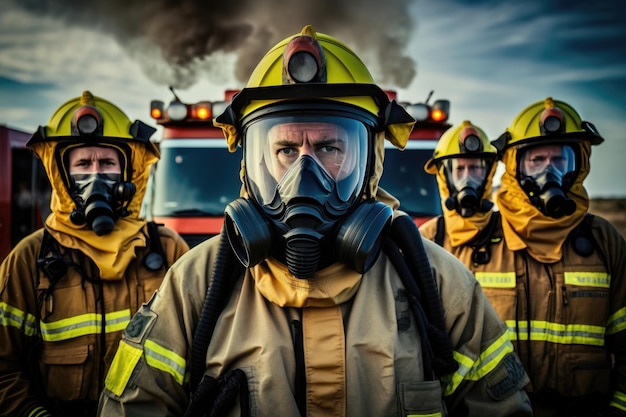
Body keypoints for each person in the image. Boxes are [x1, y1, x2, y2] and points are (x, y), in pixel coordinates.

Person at [98, 25, 532, 417]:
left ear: (370, 162)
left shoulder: (441, 285)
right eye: (286, 150)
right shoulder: (194, 284)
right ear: (254, 164)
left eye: (329, 149)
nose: (304, 177)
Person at [0, 91, 189, 417]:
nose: (96, 176)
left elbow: (201, 353)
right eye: (83, 164)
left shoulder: (169, 249)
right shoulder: (29, 259)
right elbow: (4, 366)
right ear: (63, 177)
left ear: (127, 174)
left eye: (107, 163)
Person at [488, 97, 626, 416]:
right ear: (515, 167)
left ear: (577, 167)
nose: (548, 170)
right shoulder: (484, 242)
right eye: (536, 160)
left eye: (558, 159)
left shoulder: (604, 240)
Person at [419, 120, 506, 272]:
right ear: (444, 176)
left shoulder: (510, 235)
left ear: (489, 172)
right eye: (459, 169)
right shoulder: (427, 237)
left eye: (474, 168)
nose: (467, 178)